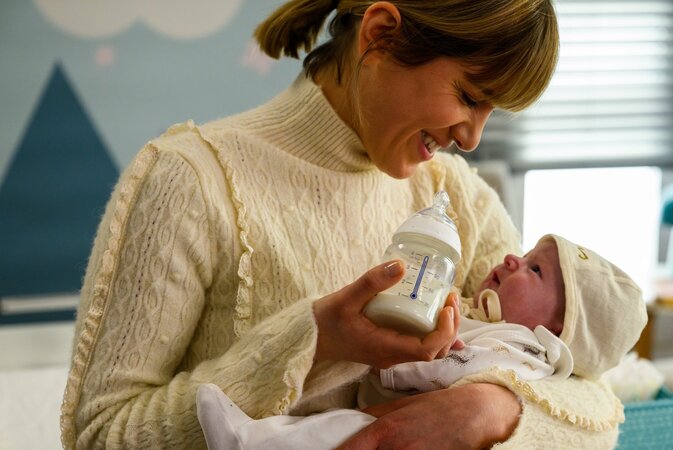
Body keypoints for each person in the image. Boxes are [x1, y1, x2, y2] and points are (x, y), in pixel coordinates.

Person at [59, 0, 627, 448]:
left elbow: (591, 396)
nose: (472, 137)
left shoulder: (458, 198)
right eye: (469, 96)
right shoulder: (189, 182)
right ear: (381, 35)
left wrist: (492, 409)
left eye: (491, 111)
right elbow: (99, 435)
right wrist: (312, 343)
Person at [195, 233, 648, 449]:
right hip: (390, 421)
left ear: (559, 330)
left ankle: (247, 442)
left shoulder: (523, 352)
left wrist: (399, 361)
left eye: (534, 269)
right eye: (526, 253)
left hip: (393, 431)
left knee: (335, 432)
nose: (512, 256)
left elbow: (459, 368)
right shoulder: (490, 320)